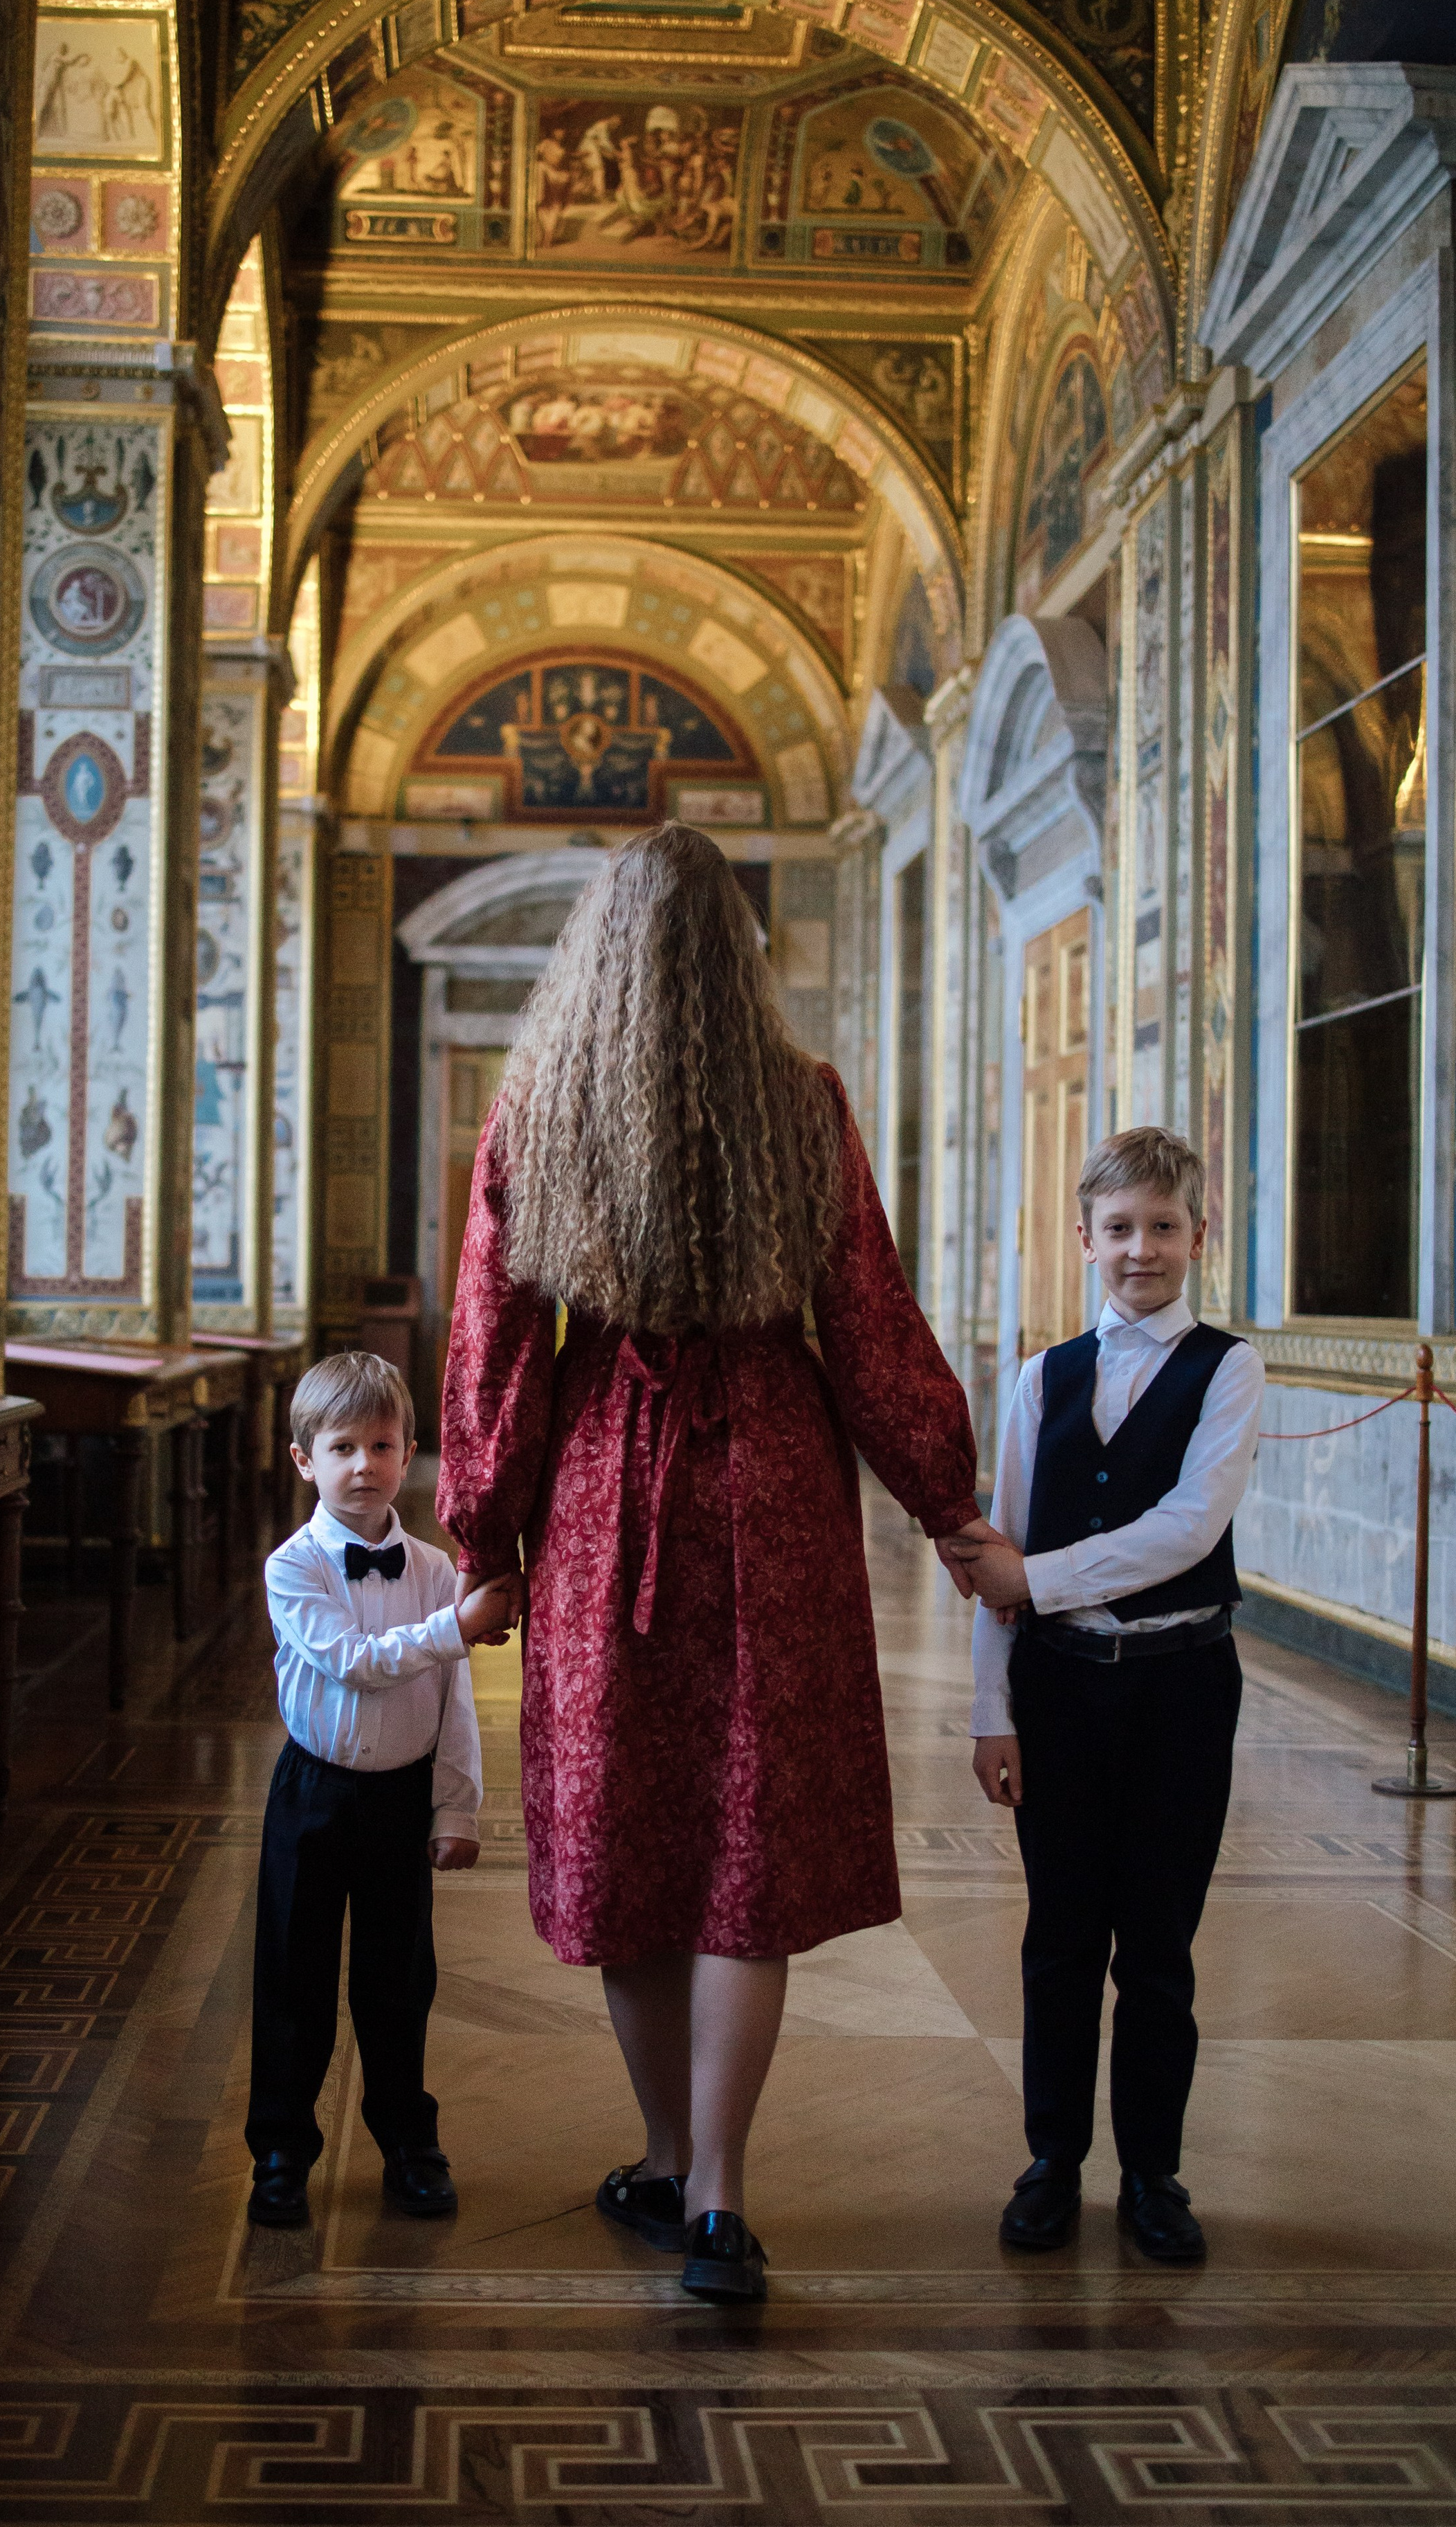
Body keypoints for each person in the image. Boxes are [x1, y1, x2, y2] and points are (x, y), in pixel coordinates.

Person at [437, 824, 980, 2303]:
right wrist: (949, 1503)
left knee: (636, 1833)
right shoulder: (801, 1106)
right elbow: (865, 1322)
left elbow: (495, 1348)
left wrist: (484, 1540)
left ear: (592, 952)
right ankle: (723, 2204)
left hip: (613, 1491)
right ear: (739, 956)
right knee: (743, 1841)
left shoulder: (541, 1106)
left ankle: (667, 2159)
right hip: (776, 1492)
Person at [943, 1127, 1264, 2264]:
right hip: (1063, 1690)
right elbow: (1005, 1546)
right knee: (1062, 1935)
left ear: (1198, 1236)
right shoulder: (1044, 1376)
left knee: (1160, 1945)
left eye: (1163, 1227)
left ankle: (1154, 2174)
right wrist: (994, 1709)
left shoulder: (1231, 1368)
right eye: (1119, 1229)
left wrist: (1038, 1576)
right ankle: (1050, 2162)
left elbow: (1188, 1530)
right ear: (1084, 1240)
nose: (1142, 1250)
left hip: (1183, 1684)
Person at [244, 1352, 520, 2232]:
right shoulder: (294, 1569)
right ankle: (283, 2152)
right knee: (295, 1976)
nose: (363, 1465)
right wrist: (458, 1628)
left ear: (408, 1455)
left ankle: (410, 2143)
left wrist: (457, 1808)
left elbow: (452, 1703)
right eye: (341, 1447)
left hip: (401, 1800)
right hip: (312, 1795)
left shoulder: (438, 1573)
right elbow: (352, 1665)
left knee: (398, 1982)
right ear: (303, 1461)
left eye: (383, 1445)